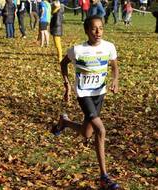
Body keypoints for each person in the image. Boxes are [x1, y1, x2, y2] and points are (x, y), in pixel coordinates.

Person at [52, 15, 120, 190]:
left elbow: (114, 65)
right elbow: (63, 63)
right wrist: (67, 85)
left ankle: (64, 122)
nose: (98, 32)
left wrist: (115, 80)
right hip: (84, 94)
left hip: (99, 94)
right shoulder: (77, 50)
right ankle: (104, 176)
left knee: (87, 133)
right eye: (94, 29)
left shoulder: (109, 47)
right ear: (87, 31)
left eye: (101, 28)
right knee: (100, 130)